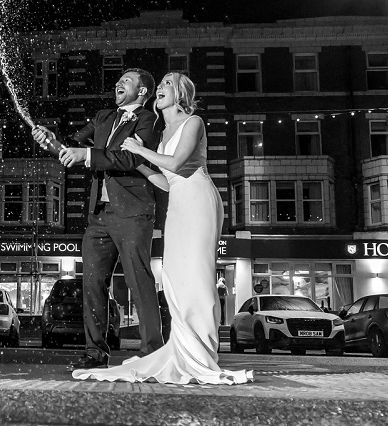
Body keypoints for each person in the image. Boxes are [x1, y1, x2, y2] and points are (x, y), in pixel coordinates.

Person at [73, 71, 253, 385]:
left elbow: (176, 164)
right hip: (178, 204)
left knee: (197, 276)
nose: (162, 87)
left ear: (182, 93)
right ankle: (183, 350)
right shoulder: (165, 129)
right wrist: (138, 157)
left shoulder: (193, 122)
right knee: (173, 276)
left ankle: (204, 354)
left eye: (168, 83)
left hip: (199, 201)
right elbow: (164, 181)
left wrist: (138, 151)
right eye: (162, 84)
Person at [32, 68, 164, 371]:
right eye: (119, 80)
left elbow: (134, 159)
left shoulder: (148, 120)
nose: (119, 83)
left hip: (133, 212)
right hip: (99, 215)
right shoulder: (103, 117)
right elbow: (71, 148)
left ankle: (153, 353)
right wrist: (51, 142)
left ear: (142, 92)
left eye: (127, 81)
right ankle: (95, 353)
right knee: (92, 284)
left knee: (138, 280)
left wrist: (88, 156)